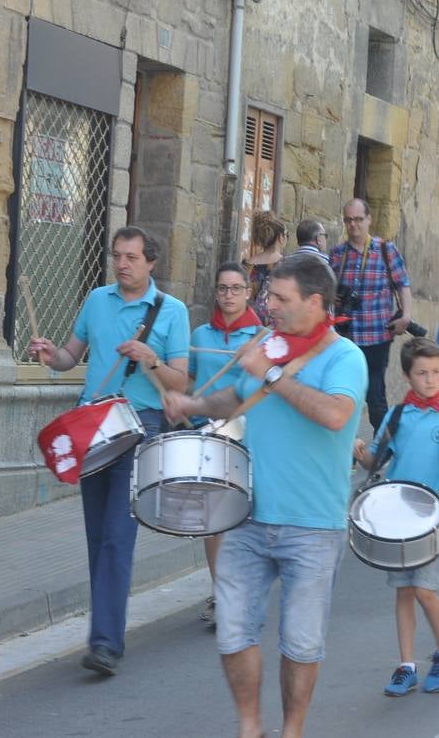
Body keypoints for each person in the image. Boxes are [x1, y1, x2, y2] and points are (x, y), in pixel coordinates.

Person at [162, 253, 368, 738]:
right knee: (233, 632)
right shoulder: (267, 343)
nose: (267, 305)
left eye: (280, 298)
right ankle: (250, 728)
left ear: (315, 302)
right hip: (246, 515)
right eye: (268, 295)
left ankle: (291, 730)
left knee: (300, 643)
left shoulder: (345, 357)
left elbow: (336, 415)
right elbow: (237, 397)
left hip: (313, 524)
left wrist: (275, 375)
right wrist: (192, 403)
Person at [28, 226, 189, 675]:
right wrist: (48, 354)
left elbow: (180, 381)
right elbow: (69, 357)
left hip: (140, 425)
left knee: (118, 536)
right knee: (97, 537)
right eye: (117, 256)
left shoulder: (171, 312)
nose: (122, 264)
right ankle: (105, 632)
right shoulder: (97, 300)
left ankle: (105, 643)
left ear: (150, 262)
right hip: (92, 425)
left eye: (132, 257)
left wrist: (149, 358)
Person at [352, 338, 439, 697]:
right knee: (404, 591)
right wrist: (363, 454)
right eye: (422, 373)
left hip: (437, 514)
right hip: (399, 516)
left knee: (424, 588)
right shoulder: (397, 415)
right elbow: (377, 459)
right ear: (407, 376)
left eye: (436, 372)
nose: (430, 379)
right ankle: (406, 665)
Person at [189, 263, 264, 625]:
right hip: (208, 430)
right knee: (211, 518)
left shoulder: (262, 337)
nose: (229, 295)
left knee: (241, 517)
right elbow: (189, 379)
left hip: (246, 433)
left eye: (236, 288)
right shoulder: (200, 335)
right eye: (223, 289)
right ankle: (220, 591)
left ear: (248, 292)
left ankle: (241, 590)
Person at [329, 198, 414, 432]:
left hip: (377, 335)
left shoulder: (386, 250)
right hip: (346, 336)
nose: (353, 225)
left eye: (358, 219)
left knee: (375, 396)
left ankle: (381, 447)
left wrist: (406, 315)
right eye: (348, 220)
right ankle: (349, 449)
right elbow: (327, 288)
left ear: (369, 220)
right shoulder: (337, 254)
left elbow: (402, 284)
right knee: (345, 392)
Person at [245, 211, 287, 325]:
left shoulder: (246, 265)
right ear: (280, 238)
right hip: (273, 325)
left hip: (247, 322)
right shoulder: (286, 264)